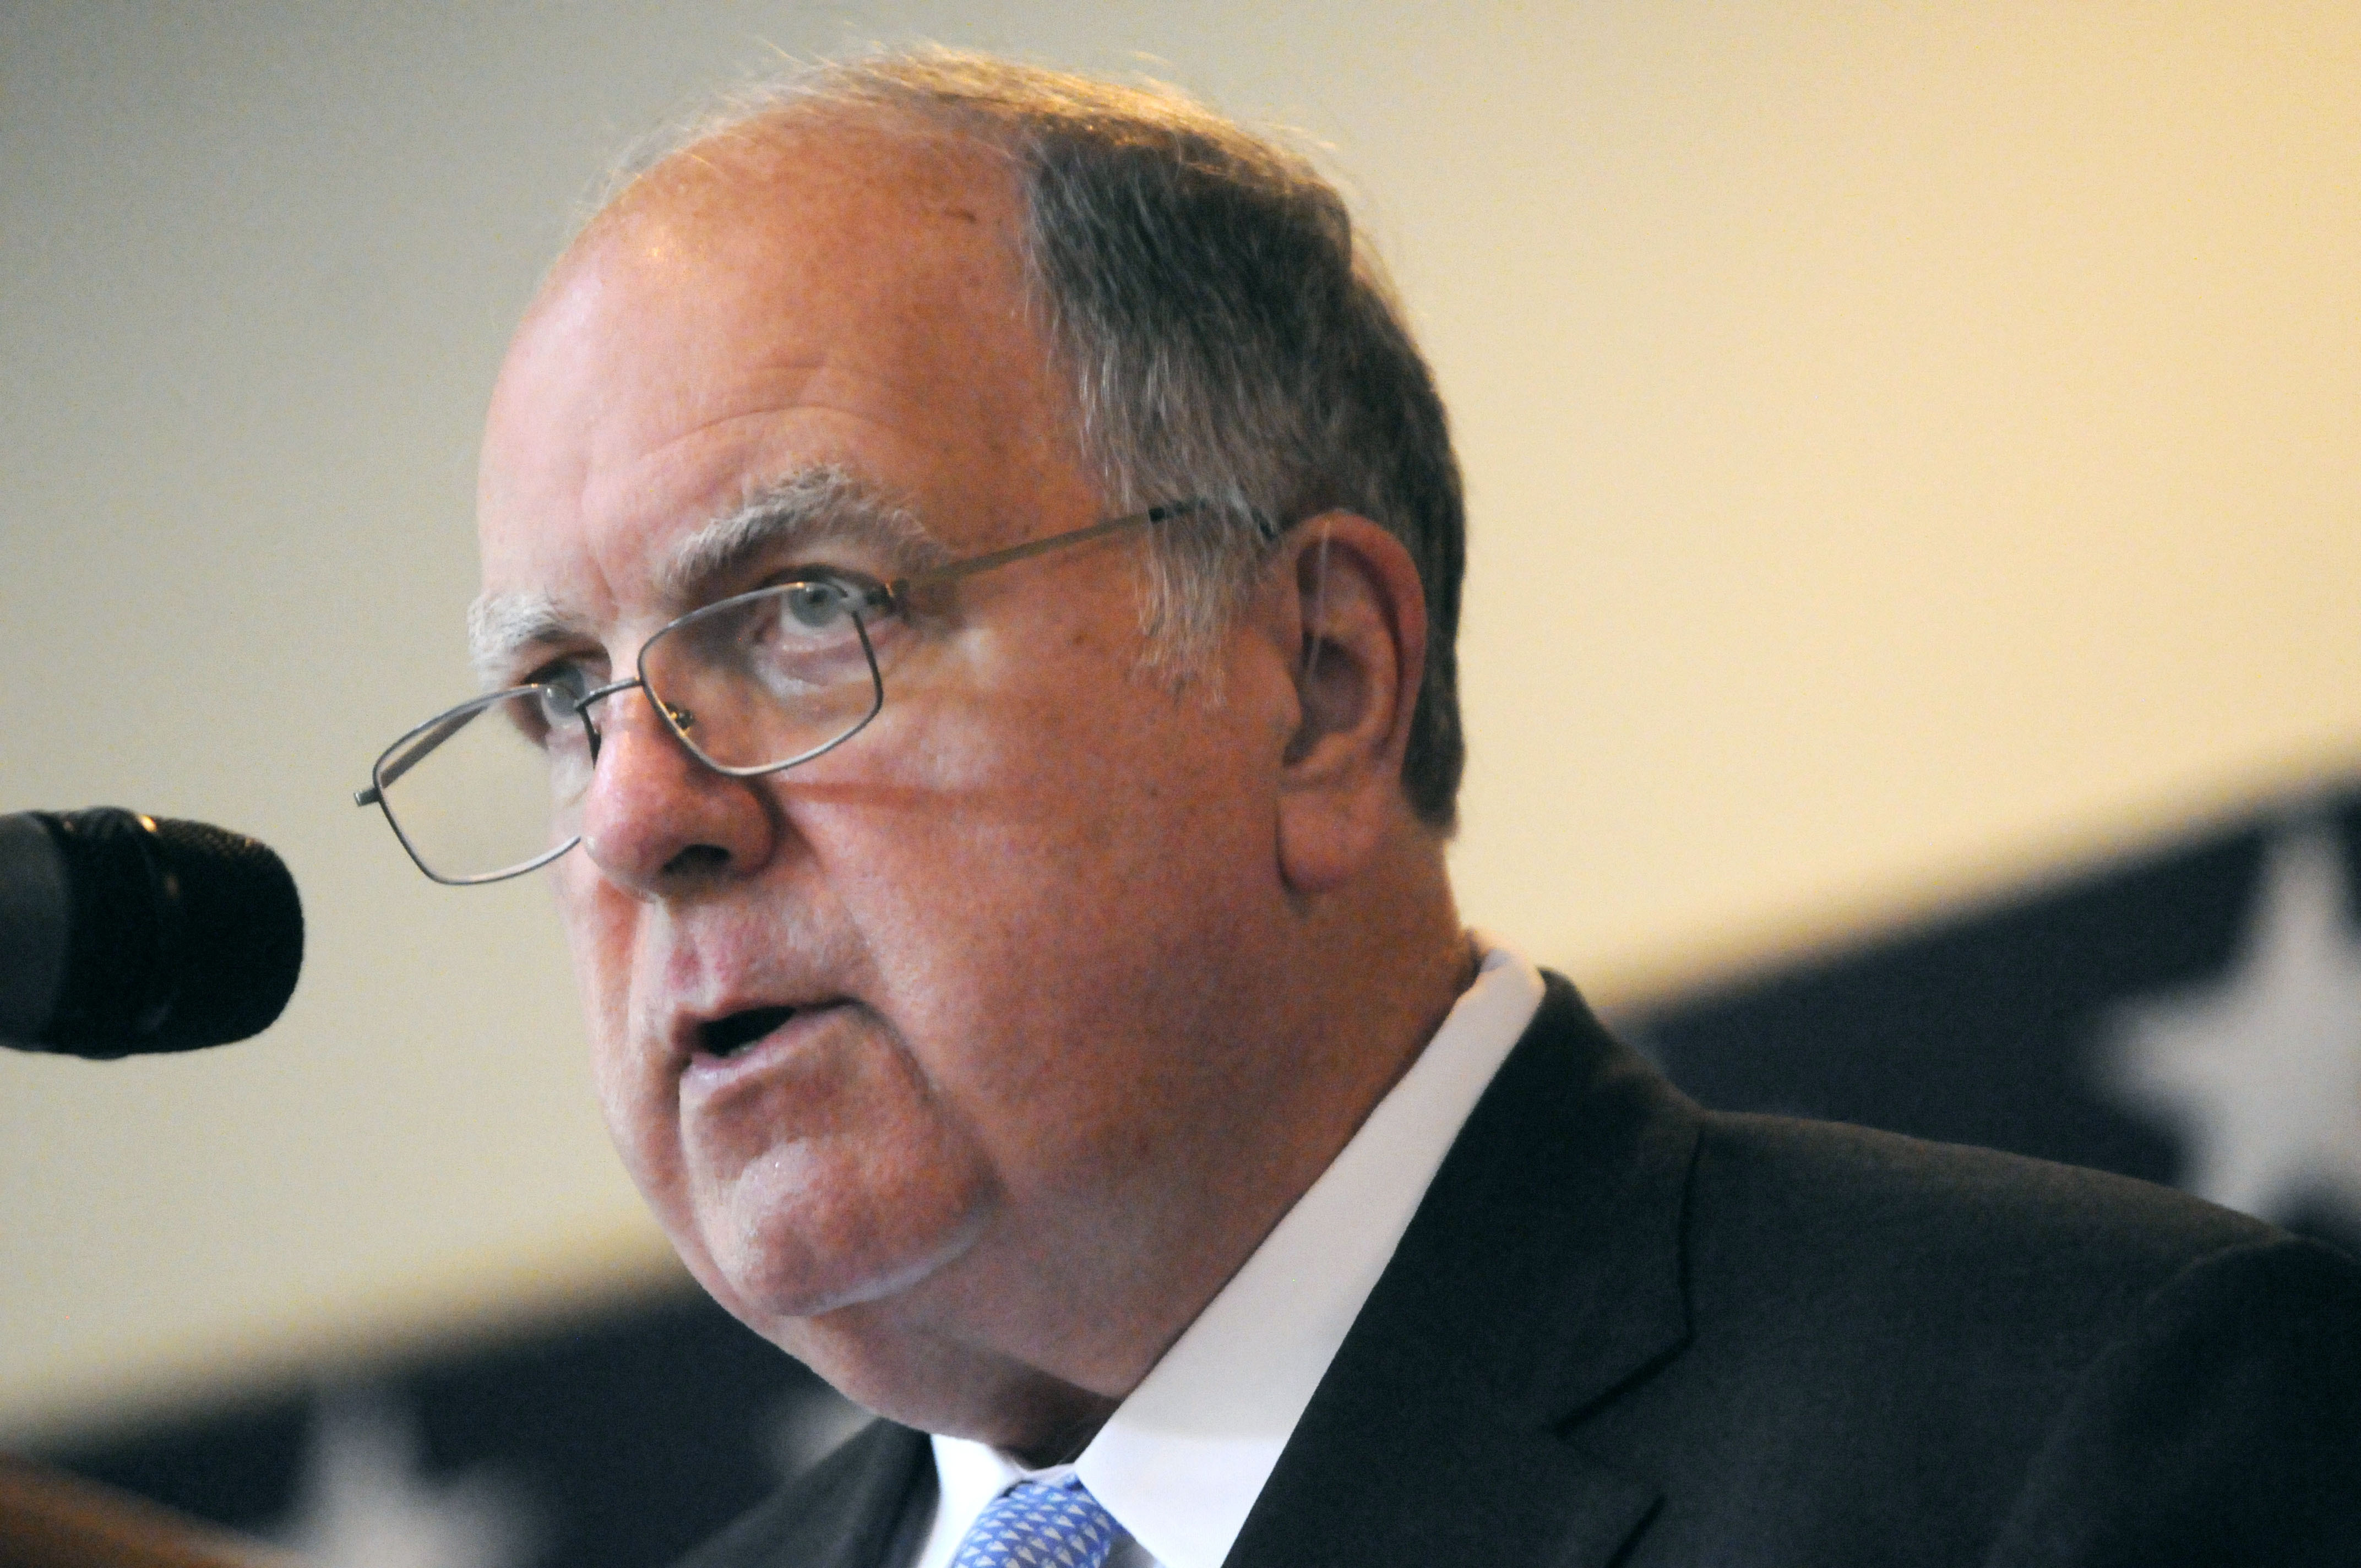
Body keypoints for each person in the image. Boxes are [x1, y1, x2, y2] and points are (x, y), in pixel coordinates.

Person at [358, 50, 2361, 1567]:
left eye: (806, 610)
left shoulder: (2082, 1436)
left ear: (1321, 682)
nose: (635, 814)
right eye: (555, 698)